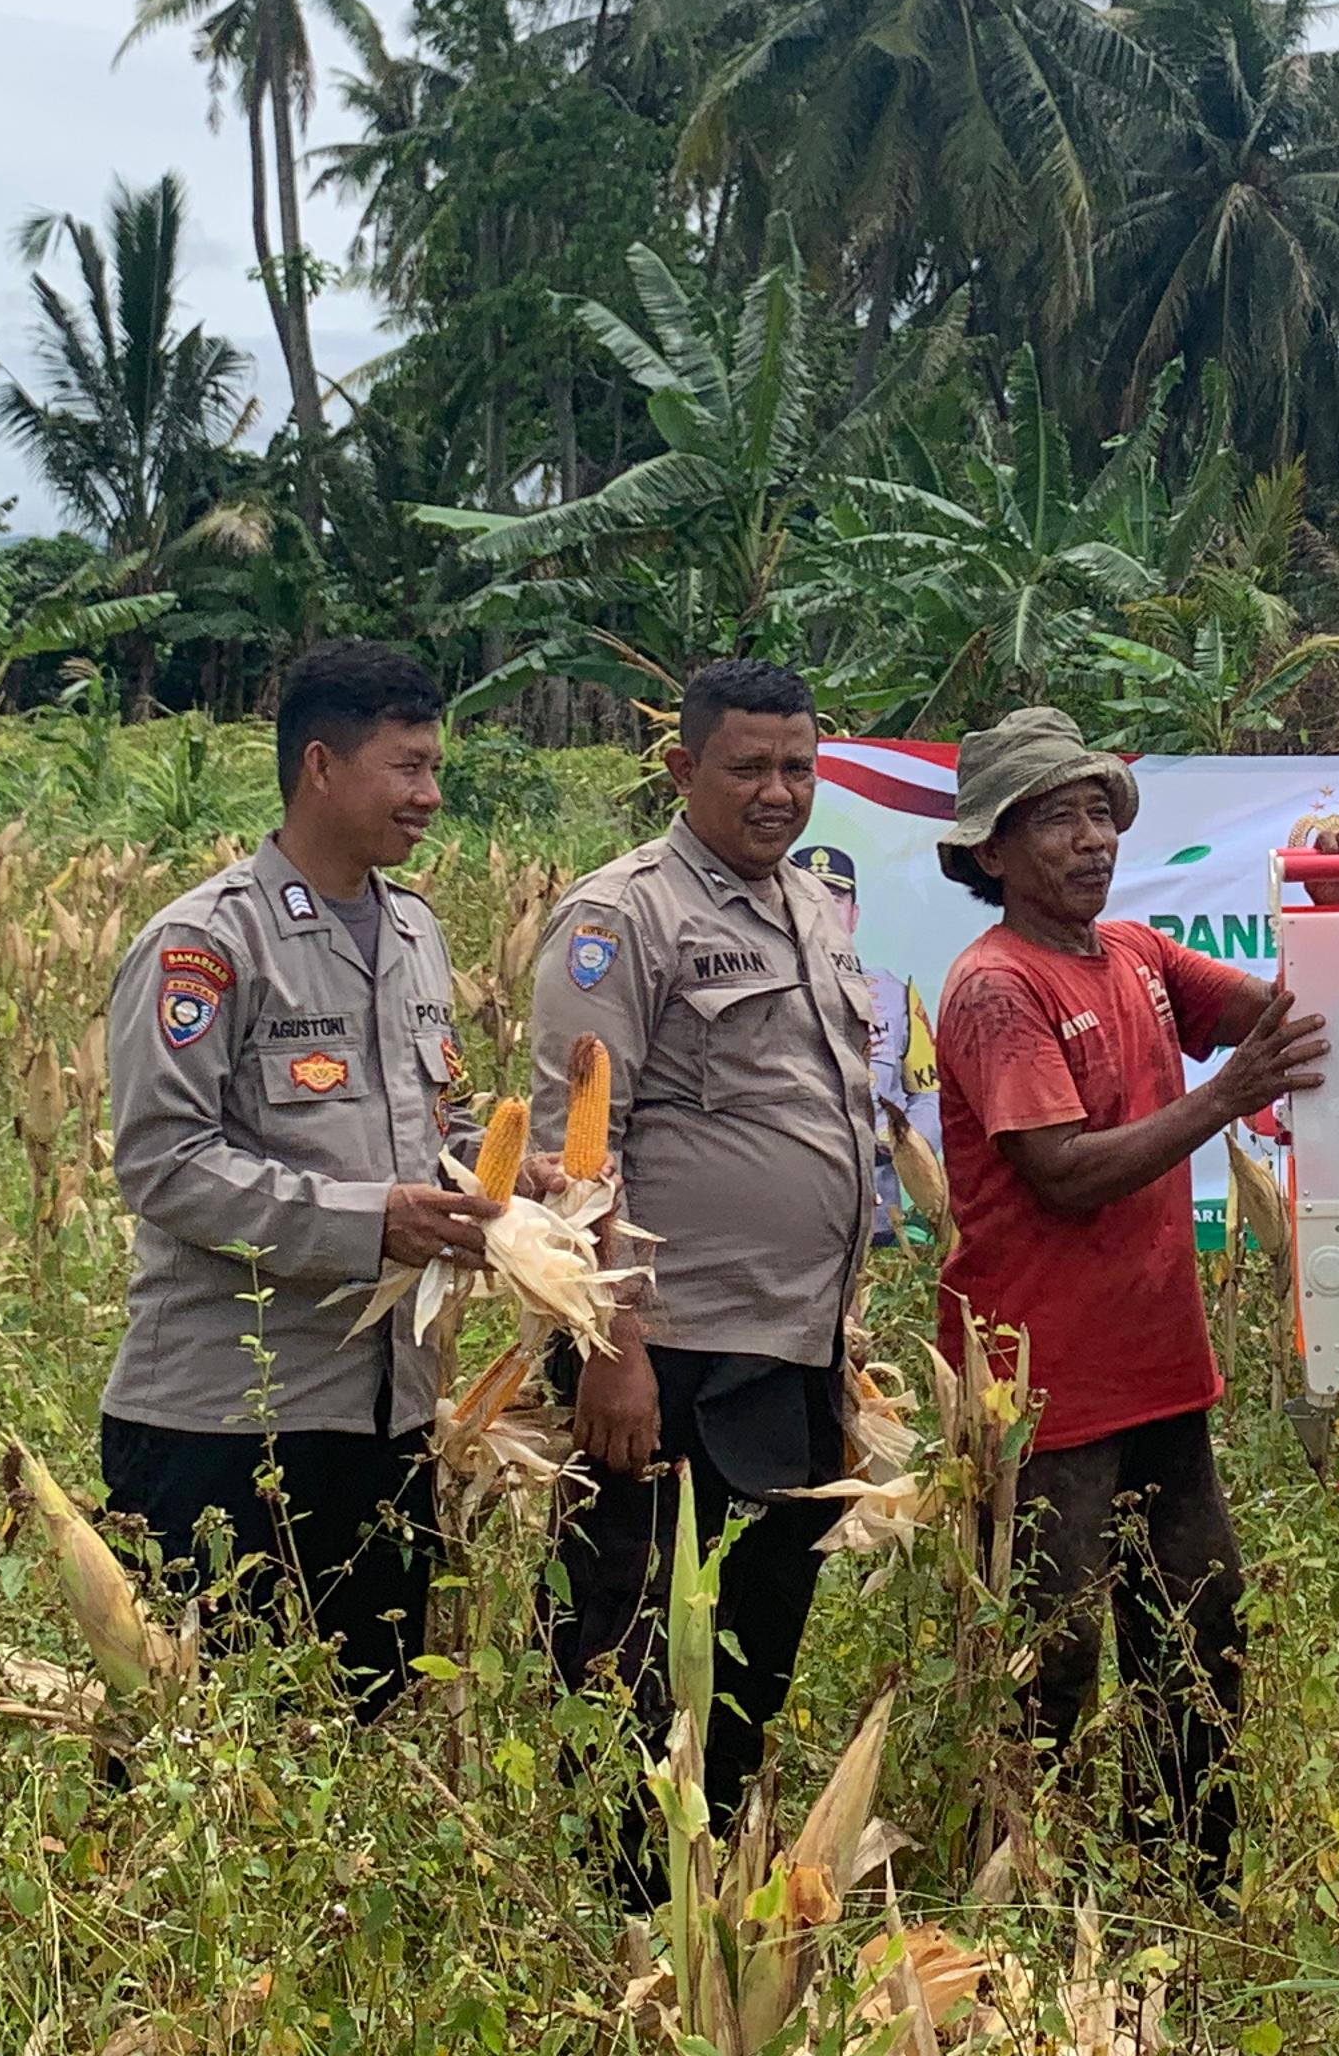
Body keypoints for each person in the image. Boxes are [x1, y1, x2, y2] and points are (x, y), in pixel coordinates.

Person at [929, 707, 1328, 1895]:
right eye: (1058, 819)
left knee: (1200, 1624)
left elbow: (1280, 1012)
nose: (1092, 838)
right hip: (1039, 1387)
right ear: (993, 849)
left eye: (1101, 812)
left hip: (1158, 1371)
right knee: (1049, 1655)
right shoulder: (996, 987)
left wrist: (1334, 904)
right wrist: (1224, 1101)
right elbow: (1060, 1172)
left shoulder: (1139, 956)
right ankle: (1025, 1898)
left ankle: (1181, 1884)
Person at [534, 658, 886, 1904]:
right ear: (684, 769)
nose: (778, 791)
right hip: (670, 1356)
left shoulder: (813, 908)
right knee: (634, 1647)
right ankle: (618, 1911)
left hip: (791, 1351)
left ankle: (708, 1894)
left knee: (754, 1642)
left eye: (798, 767)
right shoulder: (623, 916)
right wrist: (612, 1347)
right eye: (748, 768)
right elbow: (577, 1147)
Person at [97, 638, 499, 1714]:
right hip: (226, 1423)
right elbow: (164, 1164)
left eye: (434, 768)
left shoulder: (415, 932)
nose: (430, 795)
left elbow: (430, 1124)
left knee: (363, 1728)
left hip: (389, 1417)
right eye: (407, 767)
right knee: (197, 1738)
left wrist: (499, 1174)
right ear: (321, 766)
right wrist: (372, 1224)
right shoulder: (206, 943)